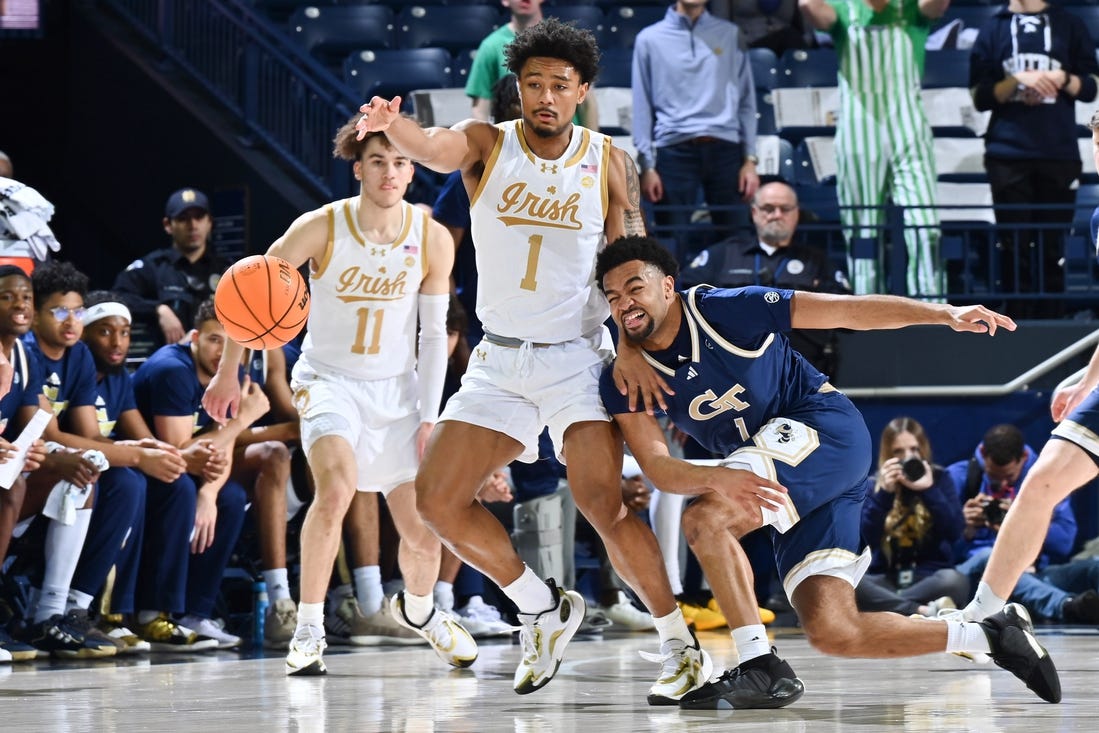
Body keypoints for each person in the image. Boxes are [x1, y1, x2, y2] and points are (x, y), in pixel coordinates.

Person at [346, 18, 712, 703]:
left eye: (560, 85)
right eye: (533, 83)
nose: (545, 95)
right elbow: (434, 146)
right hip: (500, 361)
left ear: (581, 92)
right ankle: (540, 606)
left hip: (578, 357)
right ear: (517, 87)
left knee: (603, 506)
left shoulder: (607, 159)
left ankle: (679, 645)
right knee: (436, 499)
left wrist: (631, 347)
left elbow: (628, 263)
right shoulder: (488, 143)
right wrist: (394, 128)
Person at [594, 235, 1062, 708]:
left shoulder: (727, 310)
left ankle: (759, 665)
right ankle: (990, 635)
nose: (625, 303)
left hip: (820, 428)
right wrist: (715, 477)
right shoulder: (622, 376)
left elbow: (847, 310)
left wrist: (944, 314)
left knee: (705, 519)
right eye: (612, 297)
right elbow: (659, 469)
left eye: (635, 288)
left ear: (669, 286)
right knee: (835, 631)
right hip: (792, 472)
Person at [203, 116, 474, 677]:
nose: (391, 172)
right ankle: (307, 630)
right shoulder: (321, 226)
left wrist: (429, 417)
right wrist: (230, 372)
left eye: (402, 162)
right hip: (330, 382)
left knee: (423, 528)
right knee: (337, 490)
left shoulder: (432, 239)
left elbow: (431, 337)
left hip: (399, 393)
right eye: (379, 161)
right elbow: (249, 286)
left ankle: (422, 613)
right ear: (359, 167)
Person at [132, 299, 268, 649]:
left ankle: (195, 614)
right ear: (193, 336)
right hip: (140, 465)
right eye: (213, 339)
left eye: (230, 342)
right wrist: (242, 419)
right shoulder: (172, 370)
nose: (222, 351)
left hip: (181, 469)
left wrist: (209, 494)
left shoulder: (230, 373)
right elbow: (180, 452)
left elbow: (223, 446)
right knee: (181, 489)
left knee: (231, 498)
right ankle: (153, 613)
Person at [799, 0, 945, 297]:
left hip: (908, 125)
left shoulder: (911, 8)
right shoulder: (844, 7)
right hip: (858, 127)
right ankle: (867, 312)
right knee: (862, 232)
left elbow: (937, 5)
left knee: (926, 227)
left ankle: (933, 309)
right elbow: (810, 8)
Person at [969, 1, 1099, 319]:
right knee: (1014, 242)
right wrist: (1018, 80)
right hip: (1007, 152)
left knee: (1053, 242)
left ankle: (1052, 313)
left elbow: (1091, 87)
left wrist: (1060, 77)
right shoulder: (993, 28)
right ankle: (1015, 315)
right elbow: (979, 96)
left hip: (1058, 151)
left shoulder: (1069, 25)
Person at [679, 180, 849, 375]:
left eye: (785, 209)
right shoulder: (723, 254)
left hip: (802, 375)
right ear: (754, 213)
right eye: (768, 208)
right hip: (733, 376)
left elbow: (846, 316)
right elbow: (682, 301)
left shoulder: (816, 261)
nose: (777, 215)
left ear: (796, 214)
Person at [632, 0, 759, 257]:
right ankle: (669, 298)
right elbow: (641, 105)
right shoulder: (648, 39)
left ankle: (738, 296)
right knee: (669, 243)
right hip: (673, 151)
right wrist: (647, 165)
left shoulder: (730, 33)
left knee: (737, 240)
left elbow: (747, 100)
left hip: (727, 150)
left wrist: (750, 160)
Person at [947, 424, 1099, 624]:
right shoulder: (957, 477)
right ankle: (1066, 606)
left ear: (1024, 459)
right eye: (993, 478)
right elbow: (935, 554)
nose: (1001, 485)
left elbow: (1064, 543)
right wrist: (963, 528)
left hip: (1034, 575)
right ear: (983, 454)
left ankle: (1049, 603)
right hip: (976, 578)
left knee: (1092, 568)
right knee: (993, 558)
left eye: (1009, 478)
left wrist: (1025, 522)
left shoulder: (1046, 478)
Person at [857, 417, 968, 617]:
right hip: (885, 579)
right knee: (850, 584)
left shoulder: (940, 479)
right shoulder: (875, 486)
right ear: (887, 455)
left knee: (955, 581)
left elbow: (954, 531)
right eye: (898, 451)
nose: (908, 456)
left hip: (928, 579)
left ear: (923, 449)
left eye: (914, 449)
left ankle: (889, 606)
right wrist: (885, 495)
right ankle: (920, 610)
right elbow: (865, 541)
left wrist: (929, 490)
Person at [113, 188, 229, 350]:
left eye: (199, 217)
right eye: (183, 218)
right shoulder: (153, 266)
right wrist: (158, 309)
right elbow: (117, 297)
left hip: (217, 362)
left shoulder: (227, 270)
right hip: (168, 362)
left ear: (209, 222)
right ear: (168, 225)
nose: (193, 225)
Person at [466, 1, 598, 129]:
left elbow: (587, 103)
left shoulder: (566, 42)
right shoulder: (490, 46)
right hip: (515, 144)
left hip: (568, 143)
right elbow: (481, 108)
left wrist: (592, 146)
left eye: (559, 86)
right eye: (534, 84)